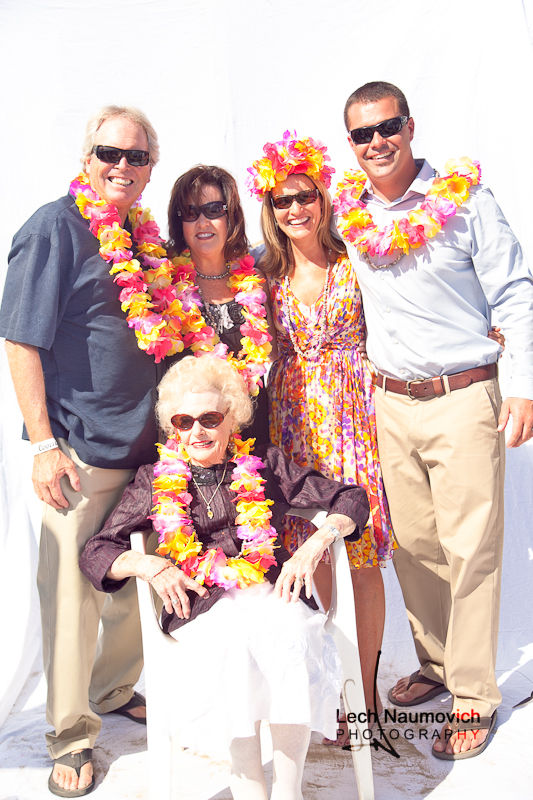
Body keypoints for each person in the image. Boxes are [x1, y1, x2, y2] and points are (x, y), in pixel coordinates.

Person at [335, 80, 533, 759]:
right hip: (389, 402)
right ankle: (439, 663)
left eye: (386, 127)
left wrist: (523, 388)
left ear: (410, 126)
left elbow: (514, 293)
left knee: (469, 547)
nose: (376, 142)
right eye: (361, 134)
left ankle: (473, 694)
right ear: (350, 144)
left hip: (463, 395)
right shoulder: (349, 214)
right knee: (414, 545)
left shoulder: (465, 201)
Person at [79, 355, 370, 800]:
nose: (197, 431)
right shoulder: (153, 480)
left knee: (293, 637)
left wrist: (316, 543)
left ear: (232, 417)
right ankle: (249, 787)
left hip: (273, 590)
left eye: (210, 418)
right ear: (172, 426)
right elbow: (97, 551)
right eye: (184, 421)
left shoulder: (266, 463)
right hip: (201, 604)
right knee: (234, 646)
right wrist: (150, 565)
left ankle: (288, 791)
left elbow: (350, 498)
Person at [0, 105, 176, 796]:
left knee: (133, 584)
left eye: (136, 157)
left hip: (148, 451)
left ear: (150, 169)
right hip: (79, 453)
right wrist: (45, 444)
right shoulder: (54, 228)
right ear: (87, 157)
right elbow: (21, 340)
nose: (121, 166)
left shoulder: (143, 237)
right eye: (110, 153)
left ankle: (113, 689)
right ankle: (71, 736)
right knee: (73, 600)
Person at [247, 131, 396, 730]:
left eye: (305, 196)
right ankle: (330, 683)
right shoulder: (263, 272)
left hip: (352, 418)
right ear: (270, 207)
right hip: (292, 420)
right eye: (282, 200)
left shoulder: (354, 255)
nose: (295, 209)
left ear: (323, 197)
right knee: (313, 554)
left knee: (361, 554)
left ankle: (367, 692)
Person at [167, 165, 272, 443]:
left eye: (214, 210)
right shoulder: (167, 288)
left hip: (254, 433)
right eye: (190, 213)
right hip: (194, 438)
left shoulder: (256, 280)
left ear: (231, 216)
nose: (203, 222)